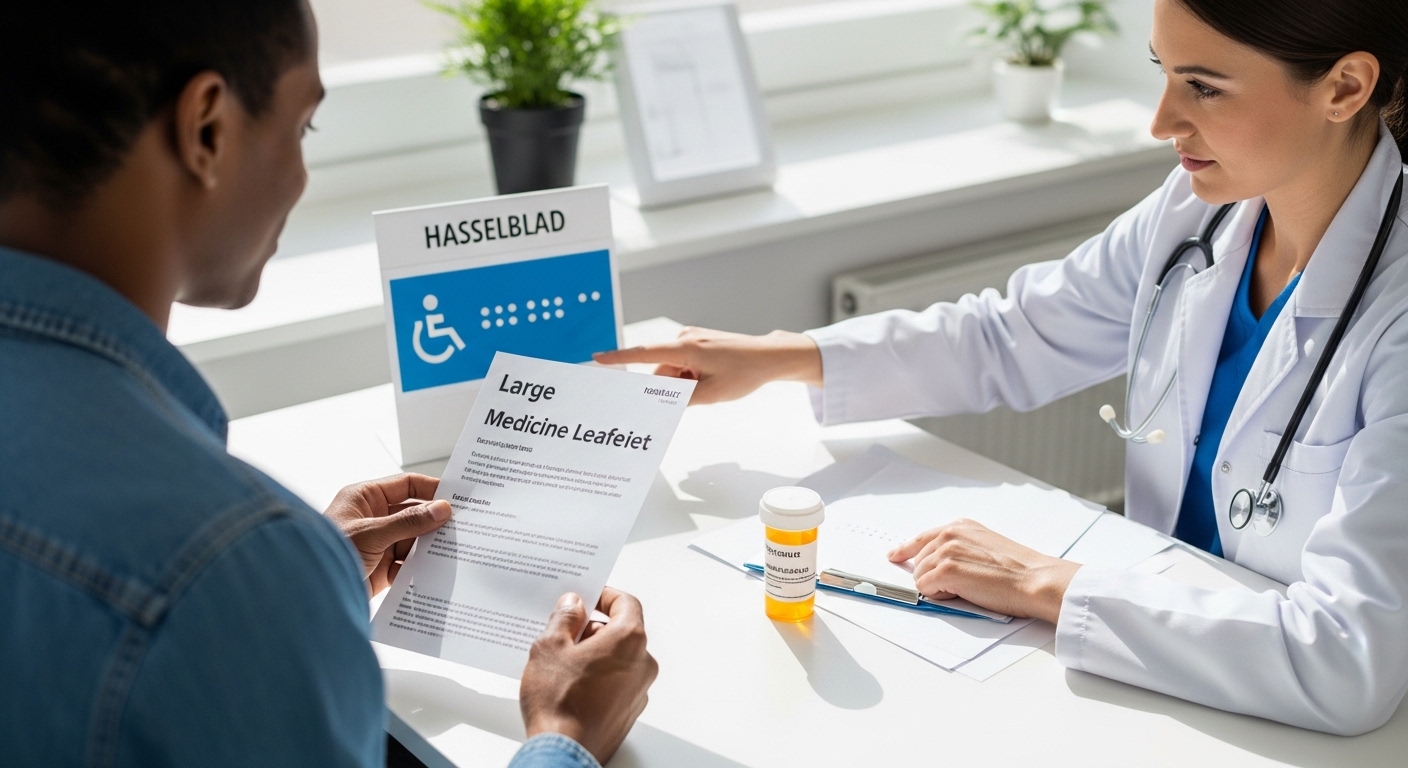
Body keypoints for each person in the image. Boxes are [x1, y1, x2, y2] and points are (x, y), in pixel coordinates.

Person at [597, 0, 1408, 737]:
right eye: (1163, 73)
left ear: (1344, 87)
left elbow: (1348, 660)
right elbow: (1014, 334)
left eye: (1204, 87)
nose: (1163, 122)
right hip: (1163, 678)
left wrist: (1043, 583)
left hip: (1298, 729)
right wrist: (782, 356)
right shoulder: (1200, 212)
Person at [0, 2, 655, 766]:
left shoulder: (232, 568)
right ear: (207, 128)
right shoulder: (225, 565)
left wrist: (300, 579)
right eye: (302, 126)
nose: (303, 174)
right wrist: (565, 738)